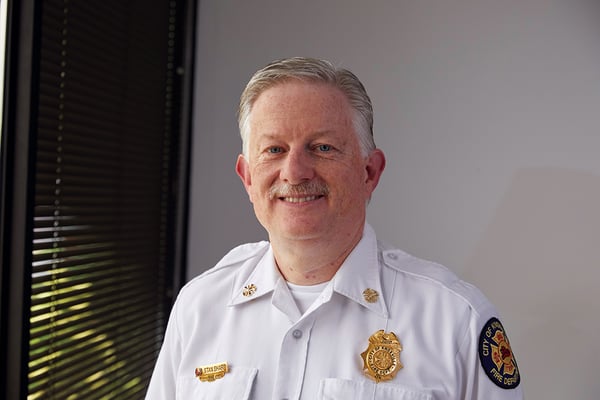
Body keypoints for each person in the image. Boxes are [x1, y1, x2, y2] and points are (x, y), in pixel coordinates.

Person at [146, 57, 523, 399]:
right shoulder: (199, 307)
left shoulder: (455, 320)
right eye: (274, 150)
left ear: (369, 172)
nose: (294, 172)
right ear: (247, 177)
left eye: (323, 148)